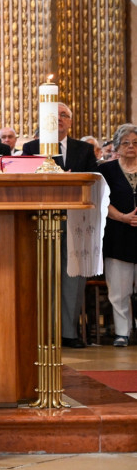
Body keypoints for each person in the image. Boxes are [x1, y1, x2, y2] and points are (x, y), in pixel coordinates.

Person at [22, 102, 98, 349]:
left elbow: (95, 180)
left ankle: (68, 332)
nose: (59, 119)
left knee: (72, 275)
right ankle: (41, 330)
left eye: (64, 115)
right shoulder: (31, 148)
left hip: (75, 218)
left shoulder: (84, 149)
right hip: (40, 217)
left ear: (71, 122)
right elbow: (23, 180)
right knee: (41, 272)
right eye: (54, 116)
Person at [98, 124, 137, 348]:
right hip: (117, 234)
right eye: (126, 143)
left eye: (135, 143)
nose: (131, 146)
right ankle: (122, 332)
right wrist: (122, 217)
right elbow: (102, 200)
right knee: (119, 290)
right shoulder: (106, 171)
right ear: (117, 146)